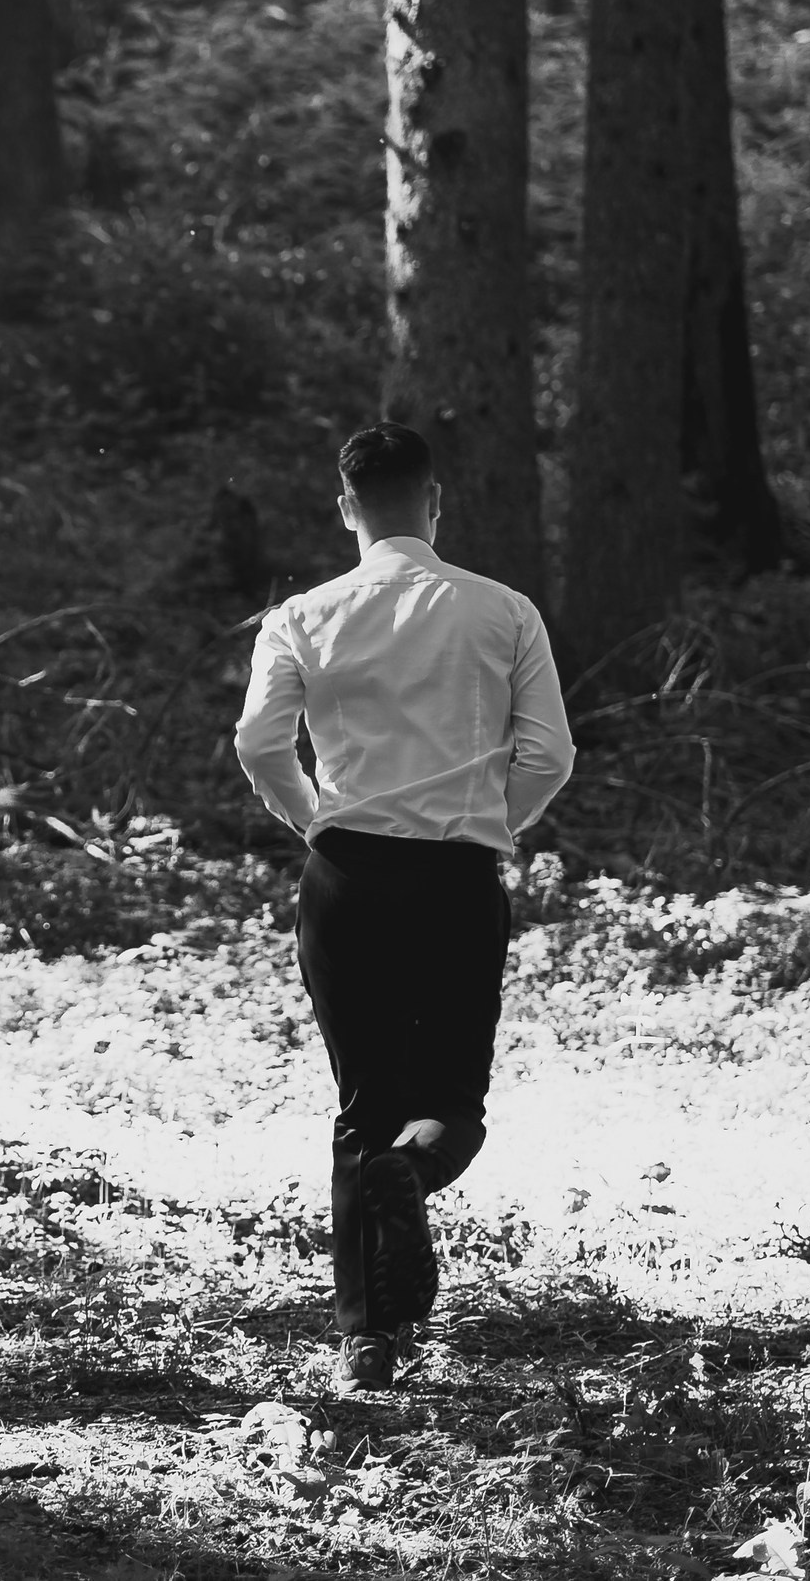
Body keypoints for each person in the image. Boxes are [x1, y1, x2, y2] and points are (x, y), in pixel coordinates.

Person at [232, 423, 572, 1393]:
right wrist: (484, 825)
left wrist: (315, 824)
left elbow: (260, 745)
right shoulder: (503, 614)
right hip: (457, 881)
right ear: (435, 501)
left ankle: (367, 1345)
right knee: (449, 1105)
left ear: (346, 508)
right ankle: (411, 1176)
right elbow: (549, 753)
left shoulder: (300, 617)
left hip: (344, 882)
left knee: (361, 1107)